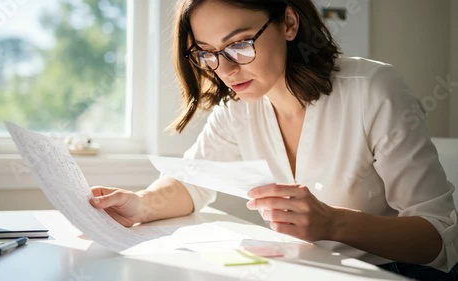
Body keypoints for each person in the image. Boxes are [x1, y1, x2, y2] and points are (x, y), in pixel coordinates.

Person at [89, 0, 458, 279]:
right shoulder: (238, 108)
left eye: (240, 43)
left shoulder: (374, 90)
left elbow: (437, 238)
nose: (226, 70)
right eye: (207, 53)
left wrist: (334, 223)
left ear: (289, 23)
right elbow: (191, 183)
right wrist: (139, 204)